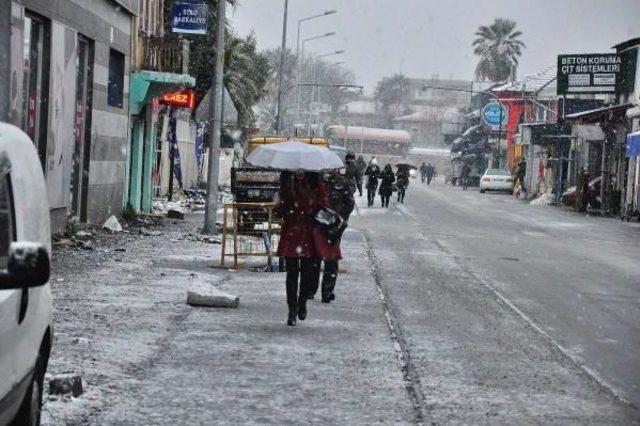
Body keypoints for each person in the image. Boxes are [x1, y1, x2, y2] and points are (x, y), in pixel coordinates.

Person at [276, 170, 327, 326]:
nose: (299, 172)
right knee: (291, 273)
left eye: (302, 169)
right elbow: (280, 209)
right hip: (291, 233)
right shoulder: (287, 184)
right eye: (296, 169)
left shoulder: (317, 186)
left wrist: (313, 212)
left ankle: (302, 301)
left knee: (307, 273)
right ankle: (292, 310)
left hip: (308, 234)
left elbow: (323, 206)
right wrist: (286, 195)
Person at [313, 168, 355, 303]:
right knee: (314, 259)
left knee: (331, 260)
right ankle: (310, 290)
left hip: (332, 226)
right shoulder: (316, 181)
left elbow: (350, 203)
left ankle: (327, 291)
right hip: (317, 224)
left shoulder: (342, 183)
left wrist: (340, 219)